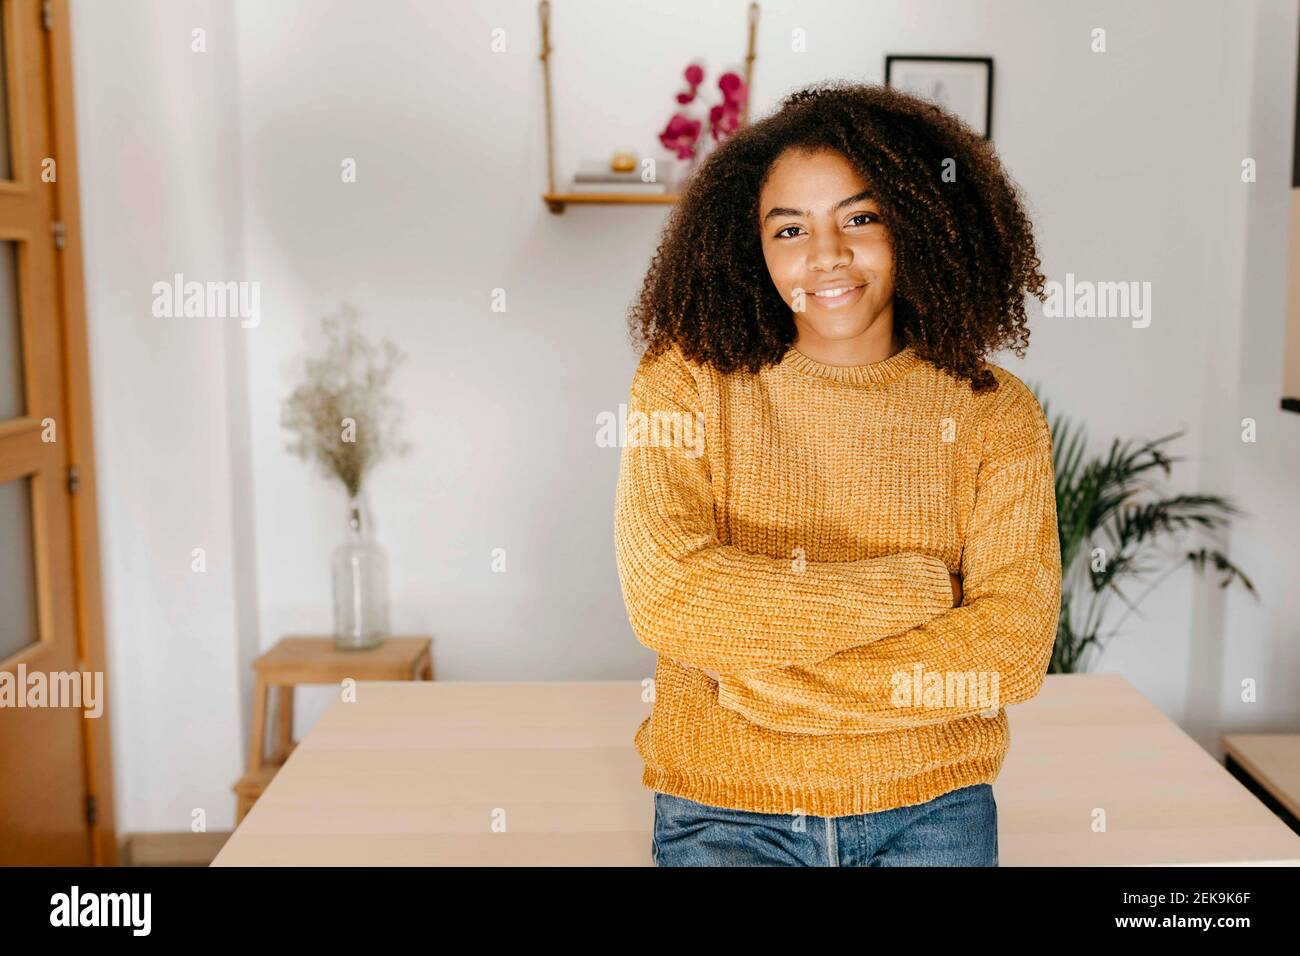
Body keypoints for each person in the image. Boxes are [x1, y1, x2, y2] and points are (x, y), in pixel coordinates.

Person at [612, 80, 1062, 867]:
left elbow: (1010, 650)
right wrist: (917, 590)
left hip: (934, 807)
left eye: (860, 218)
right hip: (723, 809)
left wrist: (763, 682)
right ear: (750, 245)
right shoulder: (684, 381)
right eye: (790, 229)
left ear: (918, 221)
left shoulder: (995, 412)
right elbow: (669, 596)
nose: (826, 255)